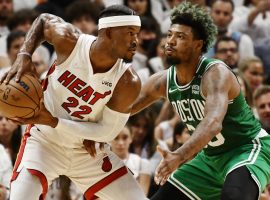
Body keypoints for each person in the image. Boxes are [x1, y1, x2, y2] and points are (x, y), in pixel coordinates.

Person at [0, 5, 148, 200]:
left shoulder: (128, 81)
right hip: (45, 142)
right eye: (130, 33)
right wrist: (24, 55)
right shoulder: (70, 41)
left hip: (87, 151)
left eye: (137, 34)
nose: (135, 41)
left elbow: (107, 131)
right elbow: (44, 20)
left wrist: (54, 121)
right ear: (109, 32)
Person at [131, 2, 270, 199]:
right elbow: (124, 109)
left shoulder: (215, 73)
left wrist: (179, 155)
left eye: (180, 37)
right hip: (210, 158)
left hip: (246, 149)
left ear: (198, 44)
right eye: (170, 34)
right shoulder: (162, 81)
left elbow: (213, 124)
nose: (170, 41)